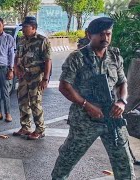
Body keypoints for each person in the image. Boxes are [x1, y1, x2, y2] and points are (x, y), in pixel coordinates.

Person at [51, 17, 136, 179]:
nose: (105, 38)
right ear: (89, 35)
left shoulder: (115, 56)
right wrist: (86, 105)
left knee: (124, 165)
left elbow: (122, 83)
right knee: (66, 161)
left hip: (112, 117)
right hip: (85, 120)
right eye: (101, 34)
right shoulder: (77, 58)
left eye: (108, 34)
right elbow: (64, 86)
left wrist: (122, 101)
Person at [13, 16, 52, 140]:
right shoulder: (21, 40)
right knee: (22, 101)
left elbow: (48, 61)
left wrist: (45, 79)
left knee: (35, 102)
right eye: (23, 27)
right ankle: (25, 127)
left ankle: (40, 129)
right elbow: (16, 56)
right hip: (23, 76)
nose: (23, 29)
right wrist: (16, 68)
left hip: (36, 76)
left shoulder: (42, 40)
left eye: (25, 27)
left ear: (33, 28)